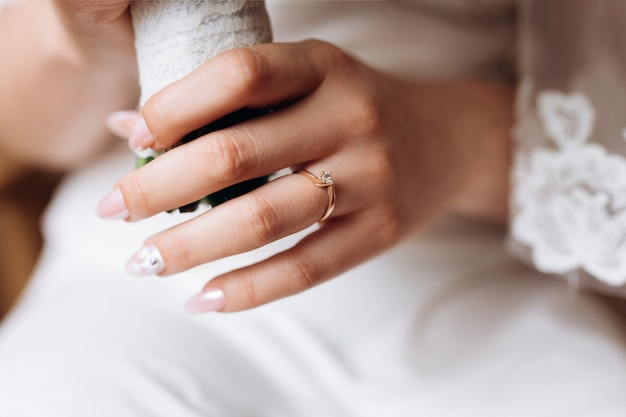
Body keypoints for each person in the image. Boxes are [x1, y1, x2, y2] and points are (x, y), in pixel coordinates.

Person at [1, 0, 626, 416]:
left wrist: (455, 140)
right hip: (141, 296)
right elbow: (21, 137)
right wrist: (84, 38)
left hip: (494, 283)